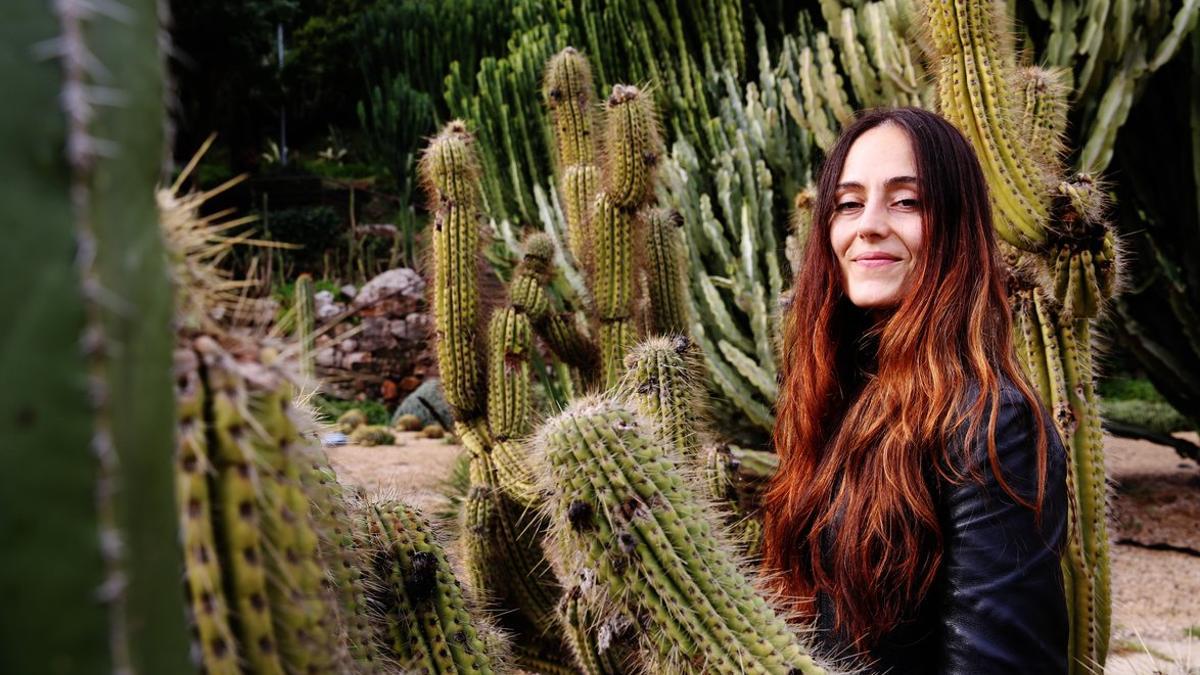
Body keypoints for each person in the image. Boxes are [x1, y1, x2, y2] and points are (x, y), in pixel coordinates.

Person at [761, 107, 1070, 674]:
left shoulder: (992, 423)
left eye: (906, 202)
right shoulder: (836, 402)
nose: (868, 225)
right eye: (849, 204)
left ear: (955, 227)